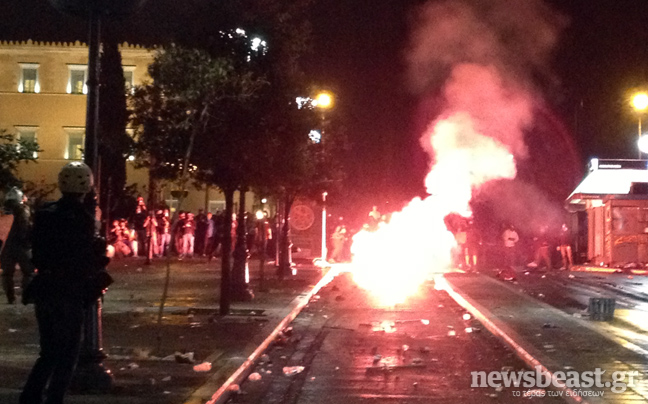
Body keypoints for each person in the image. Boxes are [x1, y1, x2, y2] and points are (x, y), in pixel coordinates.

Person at [20, 161, 111, 404]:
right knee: (68, 354)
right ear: (87, 185)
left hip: (45, 287)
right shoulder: (82, 218)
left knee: (48, 352)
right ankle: (54, 399)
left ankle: (30, 396)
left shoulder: (45, 213)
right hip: (68, 291)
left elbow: (37, 252)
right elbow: (85, 258)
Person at [0, 187, 35, 304]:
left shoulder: (3, 212)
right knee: (28, 273)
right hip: (22, 246)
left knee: (6, 273)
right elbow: (25, 227)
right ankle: (26, 297)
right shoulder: (23, 210)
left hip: (7, 246)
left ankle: (11, 298)